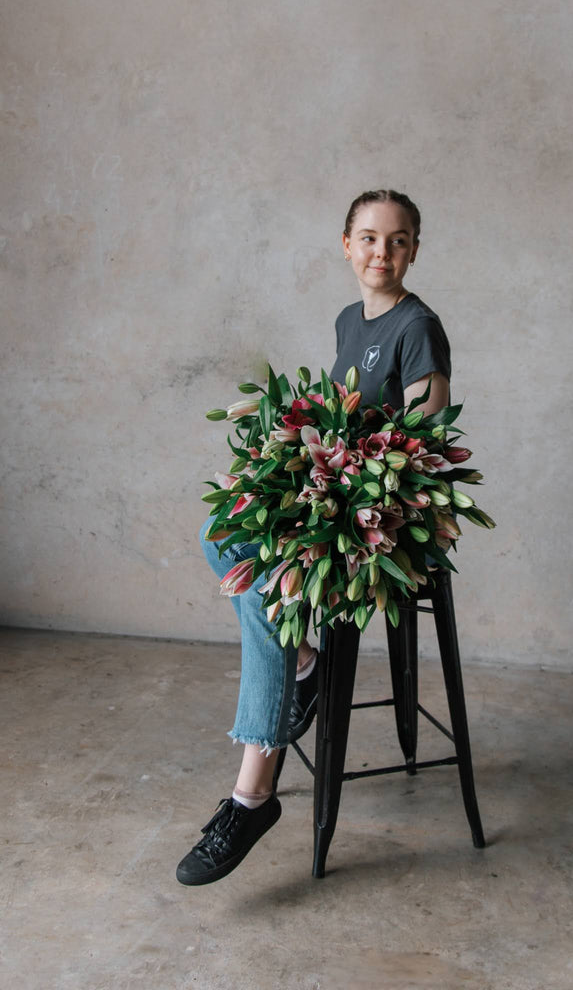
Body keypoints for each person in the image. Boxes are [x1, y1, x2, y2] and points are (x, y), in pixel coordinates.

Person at [176, 190, 452, 885]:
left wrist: (345, 479)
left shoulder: (419, 326)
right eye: (367, 238)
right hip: (333, 492)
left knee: (275, 590)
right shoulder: (346, 320)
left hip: (386, 514)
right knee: (222, 534)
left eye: (396, 240)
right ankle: (304, 662)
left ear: (414, 249)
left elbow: (423, 441)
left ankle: (252, 795)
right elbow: (339, 413)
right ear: (345, 245)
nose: (380, 253)